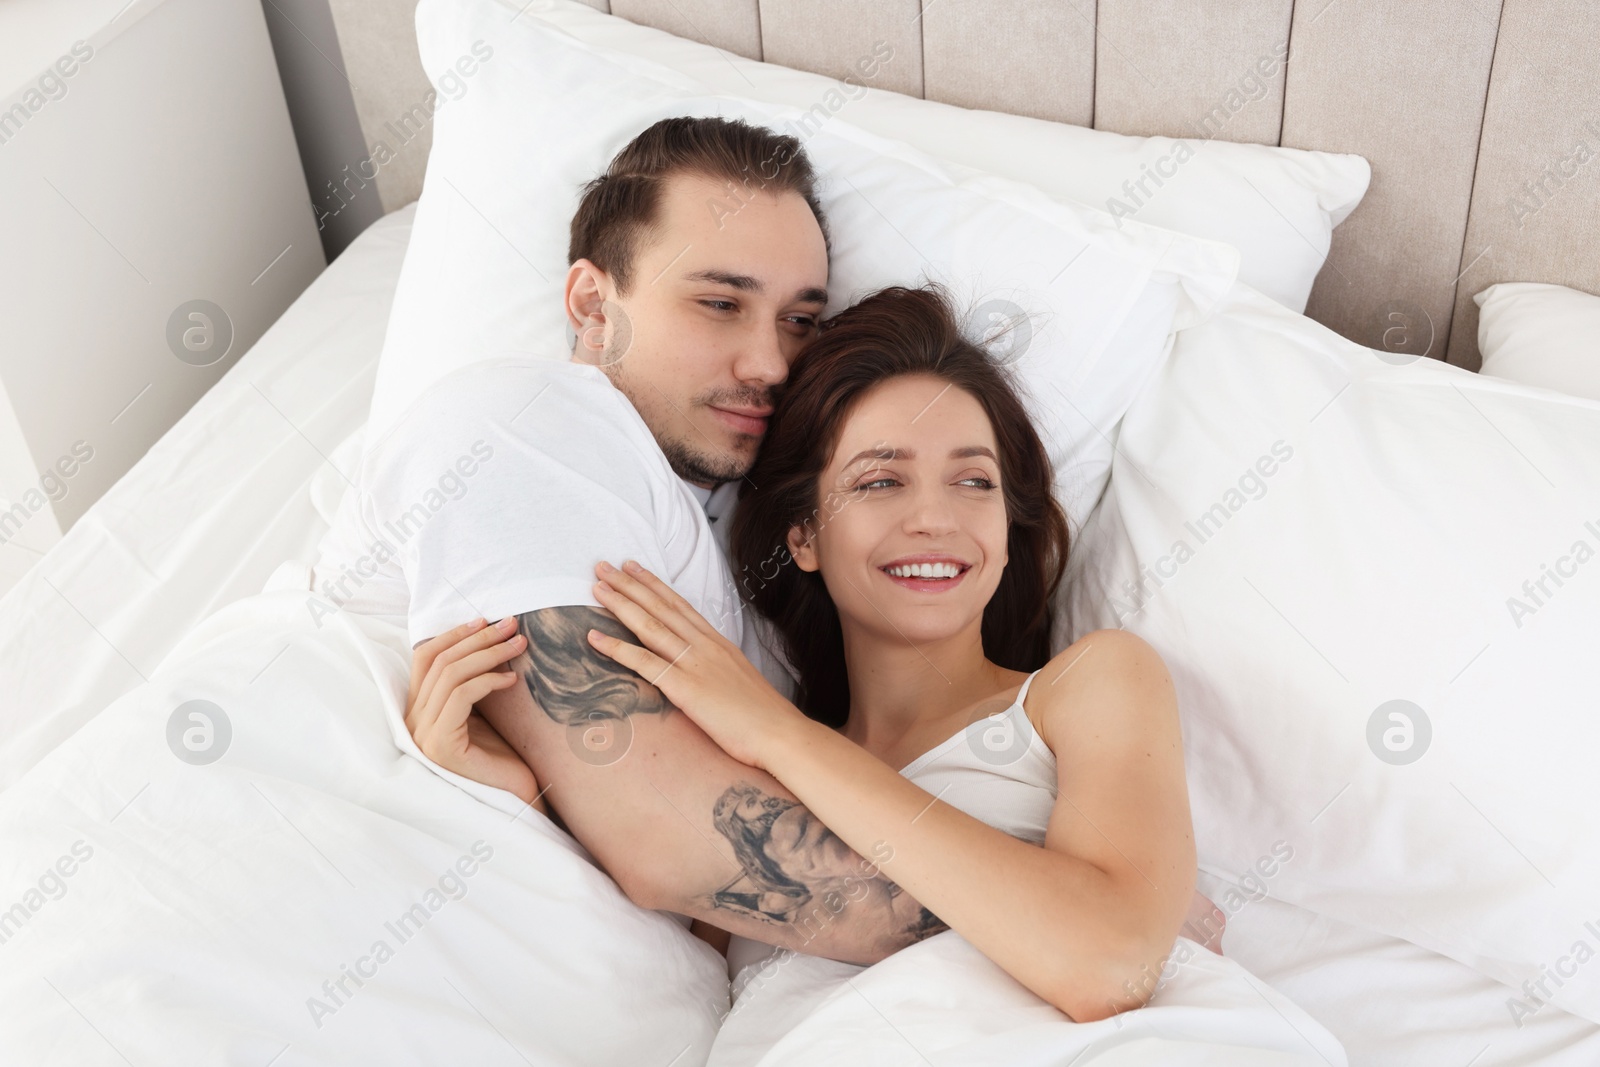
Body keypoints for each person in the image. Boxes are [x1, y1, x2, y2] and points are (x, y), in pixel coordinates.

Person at [406, 276, 1226, 1023]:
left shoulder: (1090, 684)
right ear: (803, 535)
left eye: (974, 482)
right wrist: (519, 799)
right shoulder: (739, 780)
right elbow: (659, 957)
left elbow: (1112, 962)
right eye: (880, 480)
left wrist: (778, 731)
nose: (935, 518)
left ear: (1009, 528)